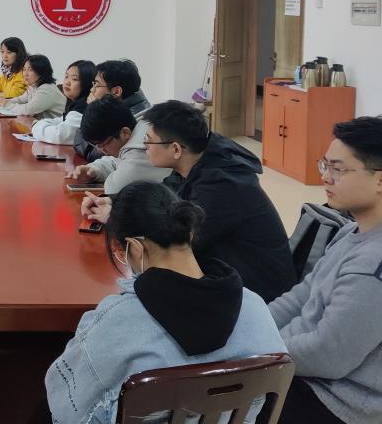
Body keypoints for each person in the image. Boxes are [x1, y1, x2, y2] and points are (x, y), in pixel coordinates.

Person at [46, 181, 286, 424]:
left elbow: (64, 404)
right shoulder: (256, 309)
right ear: (189, 234)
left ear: (135, 248)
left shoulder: (115, 321)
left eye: (120, 251)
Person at [269, 116, 382, 424]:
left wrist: (258, 351)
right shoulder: (353, 231)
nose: (325, 177)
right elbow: (301, 295)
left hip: (331, 404)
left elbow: (328, 355)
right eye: (326, 165)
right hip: (297, 372)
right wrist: (253, 329)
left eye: (338, 169)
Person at [82, 100, 296, 302]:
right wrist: (114, 204)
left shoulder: (221, 186)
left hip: (258, 294)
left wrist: (116, 219)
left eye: (149, 140)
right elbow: (159, 201)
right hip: (229, 277)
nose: (144, 146)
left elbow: (175, 243)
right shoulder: (193, 165)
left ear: (176, 149)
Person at [69, 95, 171, 194]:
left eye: (103, 144)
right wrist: (95, 170)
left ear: (125, 133)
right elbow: (118, 161)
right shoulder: (137, 131)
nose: (100, 150)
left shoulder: (142, 150)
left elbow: (114, 188)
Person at [74, 59, 151, 161]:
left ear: (116, 91)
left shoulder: (134, 117)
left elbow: (95, 154)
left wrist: (93, 108)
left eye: (97, 85)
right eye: (93, 84)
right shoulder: (124, 107)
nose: (92, 90)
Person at [31, 59, 97, 145]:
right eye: (66, 77)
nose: (67, 82)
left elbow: (60, 136)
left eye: (74, 79)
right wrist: (40, 123)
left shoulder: (83, 106)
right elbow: (61, 121)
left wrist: (36, 127)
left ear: (87, 83)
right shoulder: (74, 103)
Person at [0, 54, 66, 119]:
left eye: (30, 70)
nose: (25, 74)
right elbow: (21, 100)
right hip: (44, 125)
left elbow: (28, 110)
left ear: (41, 72)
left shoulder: (46, 89)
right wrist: (6, 101)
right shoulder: (33, 86)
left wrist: (7, 105)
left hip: (56, 127)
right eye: (24, 69)